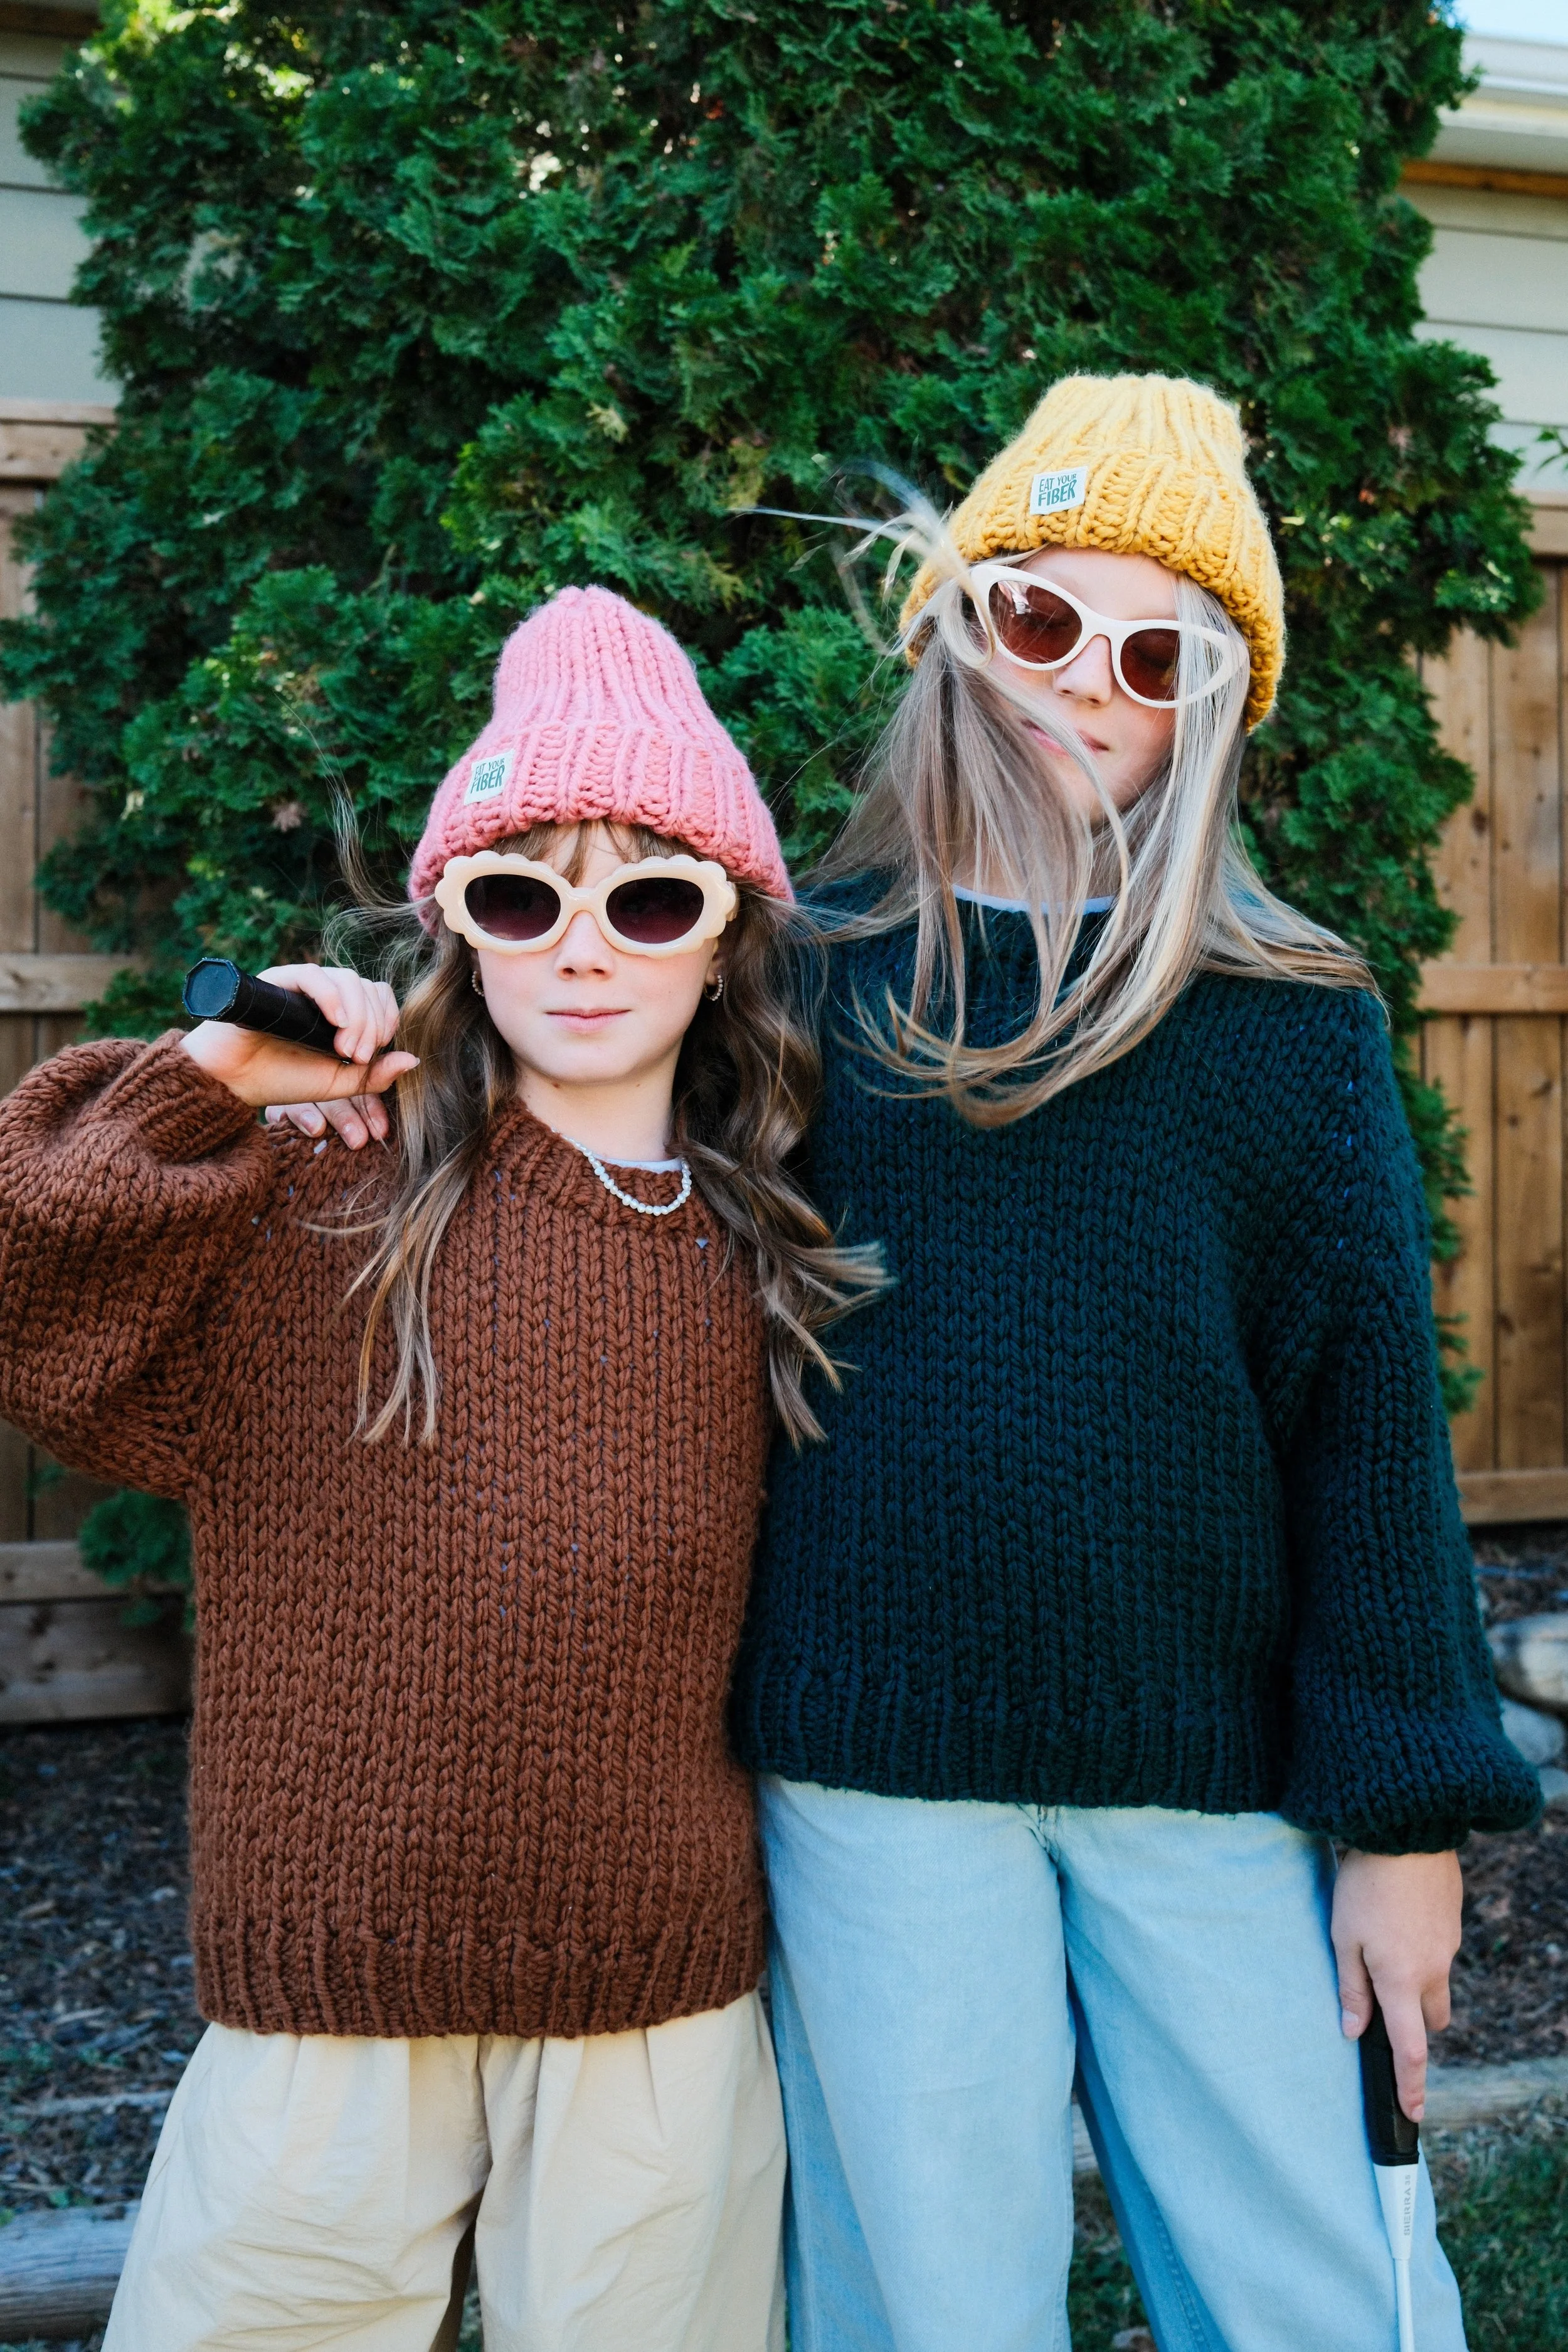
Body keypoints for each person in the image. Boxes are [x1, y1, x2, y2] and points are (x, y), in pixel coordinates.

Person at [721, 375, 1542, 2352]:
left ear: (1211, 708)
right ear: (954, 621)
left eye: (1153, 649)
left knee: (1326, 2288)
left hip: (1217, 1782)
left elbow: (1364, 1439)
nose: (1080, 679)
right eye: (1035, 614)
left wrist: (1402, 1825)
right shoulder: (795, 972)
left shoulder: (1286, 1019)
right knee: (926, 2292)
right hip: (875, 1766)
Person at [0, 584, 879, 2352]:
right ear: (455, 927)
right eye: (516, 891)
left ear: (725, 937)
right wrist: (199, 1087)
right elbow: (33, 1283)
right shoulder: (326, 1200)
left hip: (657, 1992)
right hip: (328, 1989)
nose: (582, 943)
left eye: (648, 893)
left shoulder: (774, 1245)